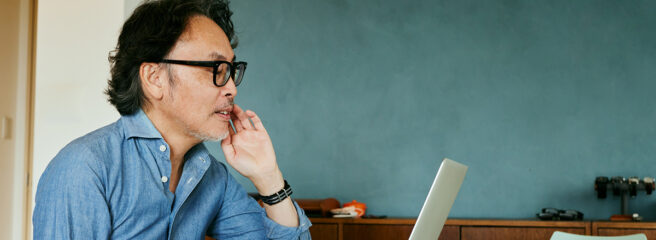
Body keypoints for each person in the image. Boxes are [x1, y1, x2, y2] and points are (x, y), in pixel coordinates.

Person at [32, 0, 311, 239]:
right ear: (155, 79)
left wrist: (268, 178)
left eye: (231, 69)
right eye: (216, 68)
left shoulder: (213, 177)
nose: (231, 88)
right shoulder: (85, 168)